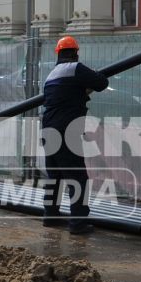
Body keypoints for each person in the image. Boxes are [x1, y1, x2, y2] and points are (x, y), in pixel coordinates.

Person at [38, 35, 108, 233]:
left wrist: (81, 92)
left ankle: (50, 217)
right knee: (78, 179)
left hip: (48, 129)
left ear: (58, 53)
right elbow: (102, 83)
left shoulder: (51, 75)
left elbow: (64, 96)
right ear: (75, 53)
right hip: (66, 132)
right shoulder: (75, 68)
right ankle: (78, 224)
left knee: (55, 177)